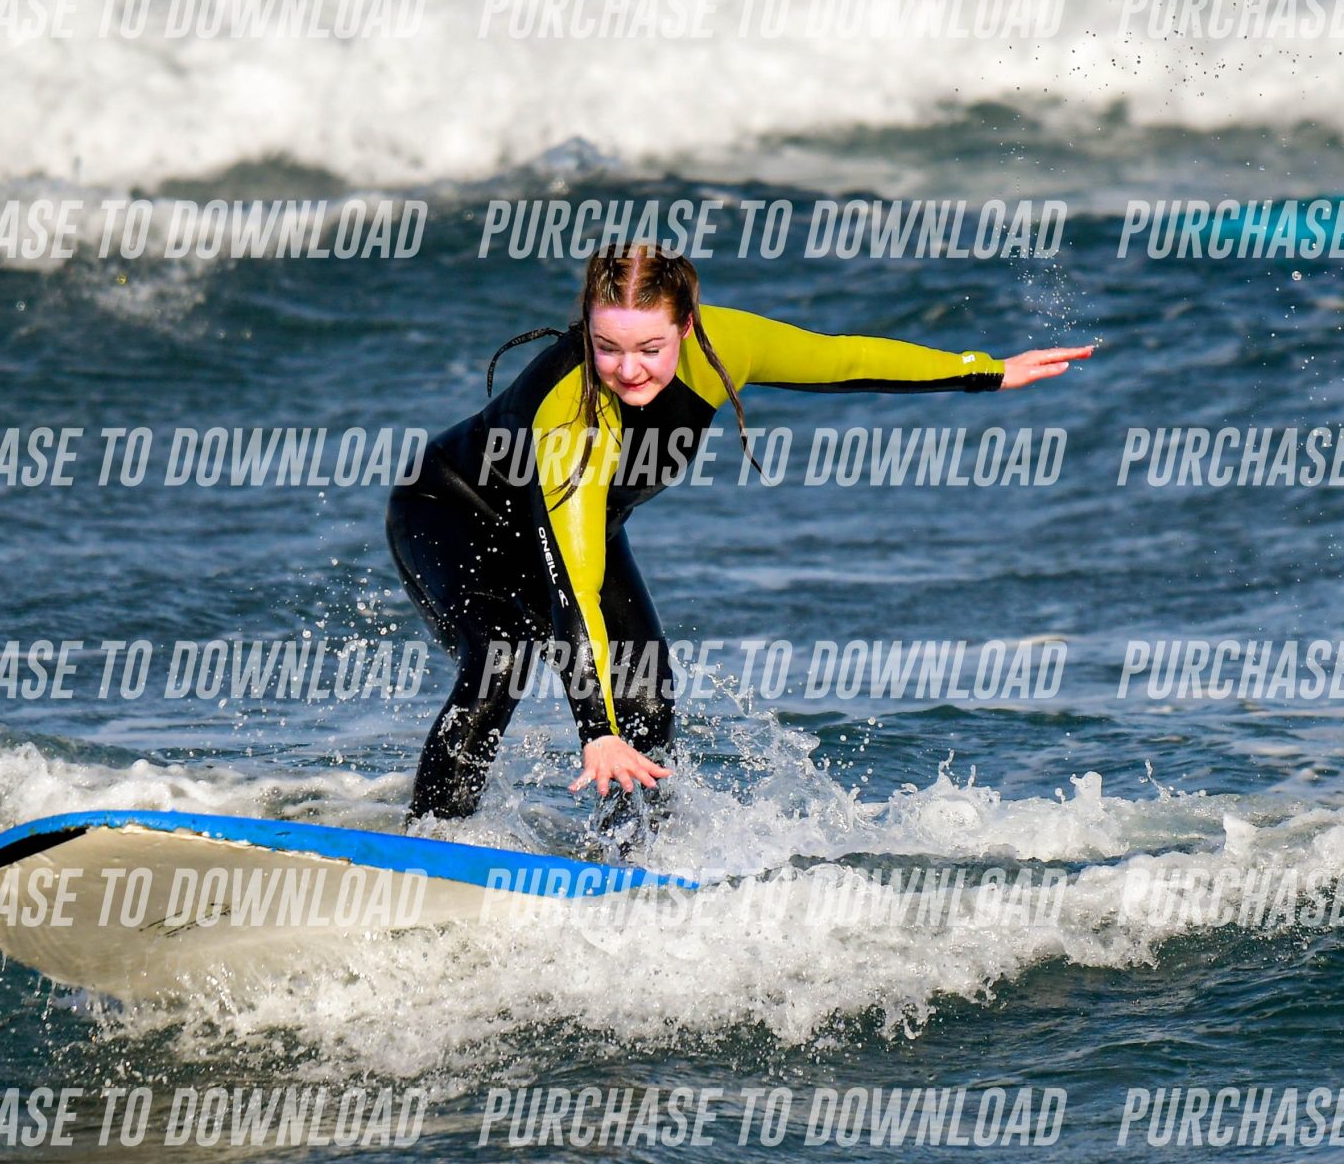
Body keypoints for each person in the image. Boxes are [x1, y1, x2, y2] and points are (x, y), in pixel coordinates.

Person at [386, 242, 1091, 840]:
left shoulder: (726, 342)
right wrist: (595, 729)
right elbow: (575, 588)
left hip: (579, 529)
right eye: (607, 347)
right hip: (453, 513)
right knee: (501, 660)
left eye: (650, 348)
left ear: (687, 327)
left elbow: (842, 359)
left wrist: (986, 371)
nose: (629, 369)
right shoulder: (571, 419)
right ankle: (429, 844)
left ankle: (629, 858)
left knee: (648, 695)